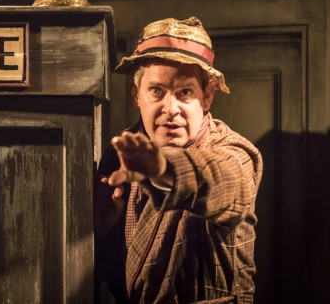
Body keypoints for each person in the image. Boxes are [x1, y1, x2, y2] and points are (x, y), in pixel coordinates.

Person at [95, 17, 263, 304]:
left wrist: (162, 169)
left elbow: (223, 181)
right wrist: (95, 230)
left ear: (207, 96)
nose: (170, 109)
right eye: (156, 91)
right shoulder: (120, 153)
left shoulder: (234, 152)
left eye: (184, 92)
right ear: (137, 95)